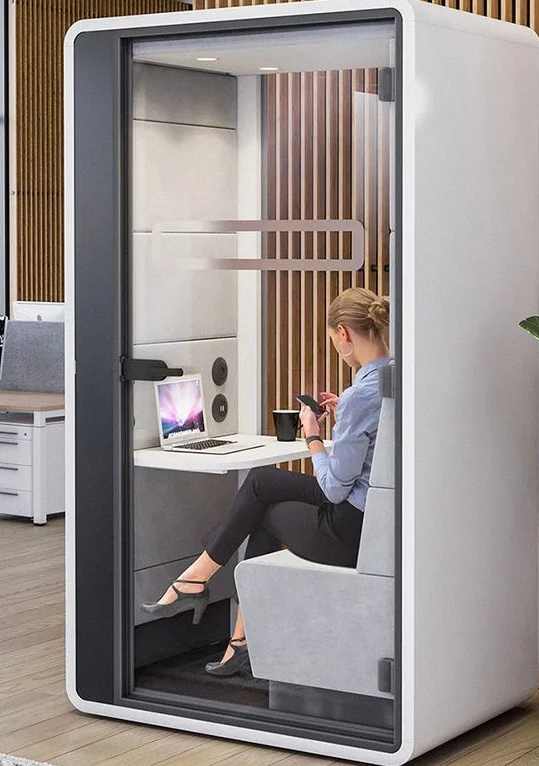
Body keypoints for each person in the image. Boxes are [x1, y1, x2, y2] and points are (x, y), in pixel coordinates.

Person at [141, 287, 391, 676]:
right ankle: (233, 631)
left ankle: (204, 586)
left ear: (344, 334)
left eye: (333, 342)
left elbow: (335, 488)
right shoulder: (392, 380)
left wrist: (312, 435)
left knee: (262, 503)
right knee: (259, 484)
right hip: (373, 518)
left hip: (348, 530)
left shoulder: (362, 393)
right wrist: (344, 419)